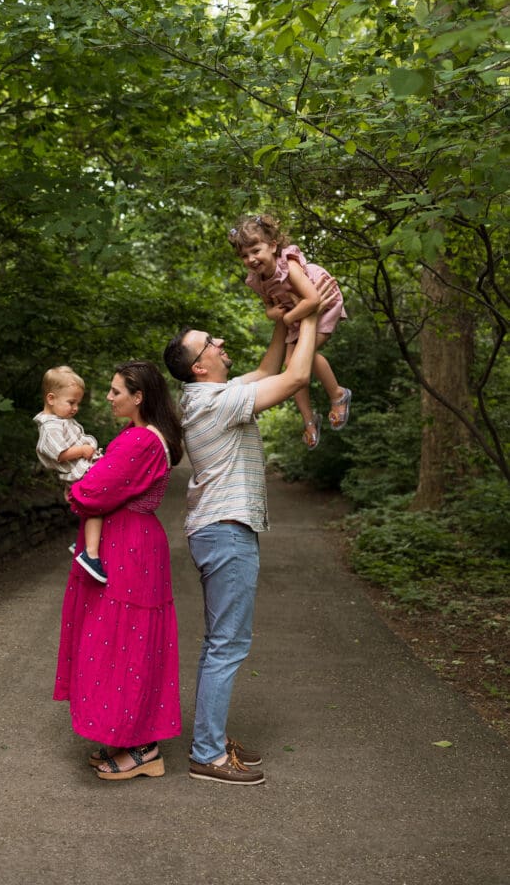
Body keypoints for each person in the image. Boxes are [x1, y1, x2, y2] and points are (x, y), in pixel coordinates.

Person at [163, 280, 336, 785]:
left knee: (221, 642)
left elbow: (266, 370)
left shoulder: (210, 393)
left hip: (220, 530)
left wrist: (283, 323)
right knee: (227, 645)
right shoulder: (213, 403)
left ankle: (209, 739)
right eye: (210, 342)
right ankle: (207, 754)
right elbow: (296, 376)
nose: (219, 343)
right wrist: (311, 313)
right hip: (225, 532)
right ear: (198, 365)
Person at [53, 360, 184, 781]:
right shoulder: (140, 436)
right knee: (118, 641)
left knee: (126, 643)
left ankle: (144, 748)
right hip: (129, 542)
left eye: (115, 391)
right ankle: (126, 736)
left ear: (139, 396)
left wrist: (77, 486)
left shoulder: (141, 441)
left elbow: (90, 491)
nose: (107, 398)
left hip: (130, 547)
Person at [229, 213, 351, 449]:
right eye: (244, 255)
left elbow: (313, 299)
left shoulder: (289, 265)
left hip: (322, 303)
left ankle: (337, 393)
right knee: (290, 367)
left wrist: (287, 317)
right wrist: (272, 314)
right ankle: (309, 420)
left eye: (256, 250)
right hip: (298, 312)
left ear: (273, 245)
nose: (251, 259)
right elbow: (269, 305)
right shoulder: (257, 279)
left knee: (302, 358)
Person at [33, 366, 106, 583]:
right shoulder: (50, 427)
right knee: (96, 507)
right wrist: (83, 450)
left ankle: (84, 543)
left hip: (82, 471)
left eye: (78, 403)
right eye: (71, 402)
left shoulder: (62, 420)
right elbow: (59, 453)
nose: (75, 408)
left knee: (97, 505)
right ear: (51, 398)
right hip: (81, 473)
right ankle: (90, 553)